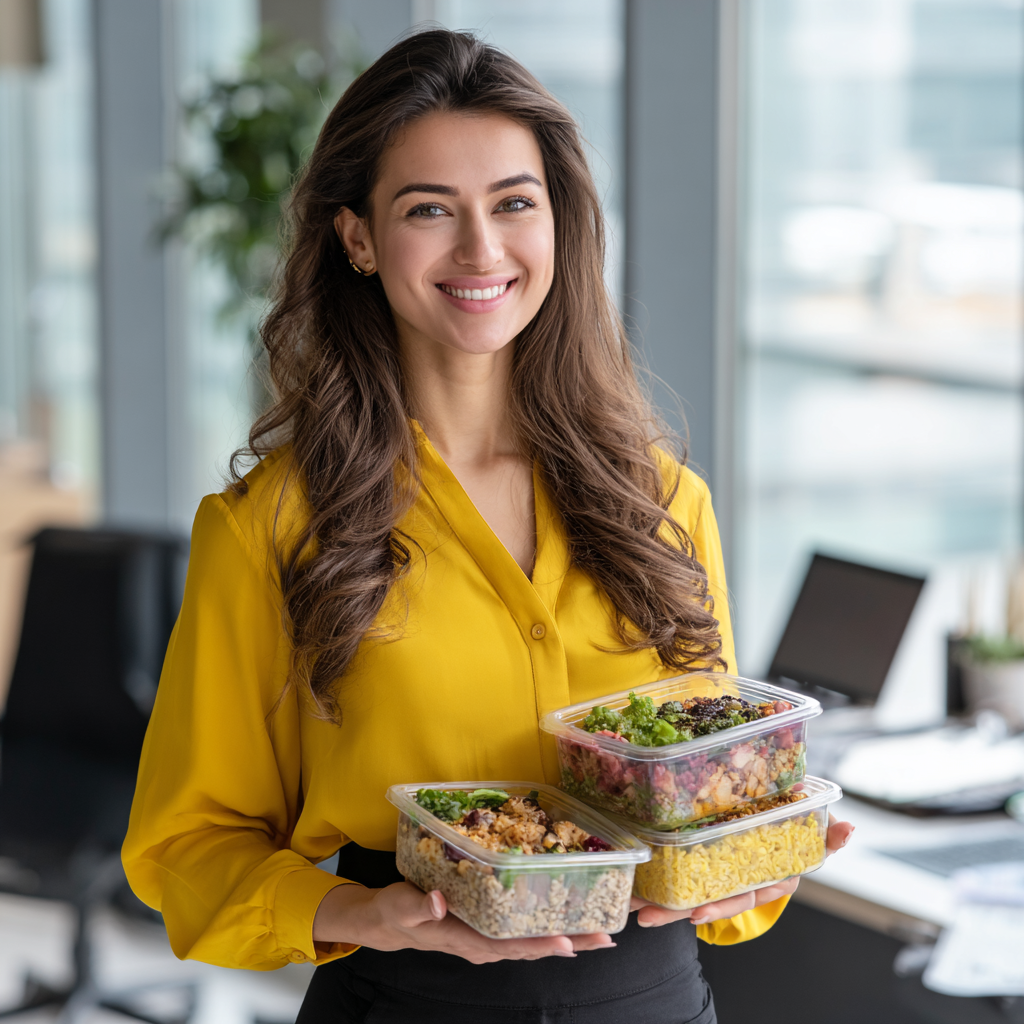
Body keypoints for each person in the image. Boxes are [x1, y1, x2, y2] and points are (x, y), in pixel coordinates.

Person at [123, 29, 853, 1024]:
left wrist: (755, 864)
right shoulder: (270, 529)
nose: (481, 250)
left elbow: (712, 799)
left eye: (514, 202)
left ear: (559, 223)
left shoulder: (664, 503)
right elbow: (187, 847)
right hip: (407, 997)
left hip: (649, 998)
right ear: (358, 238)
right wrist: (362, 912)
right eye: (430, 210)